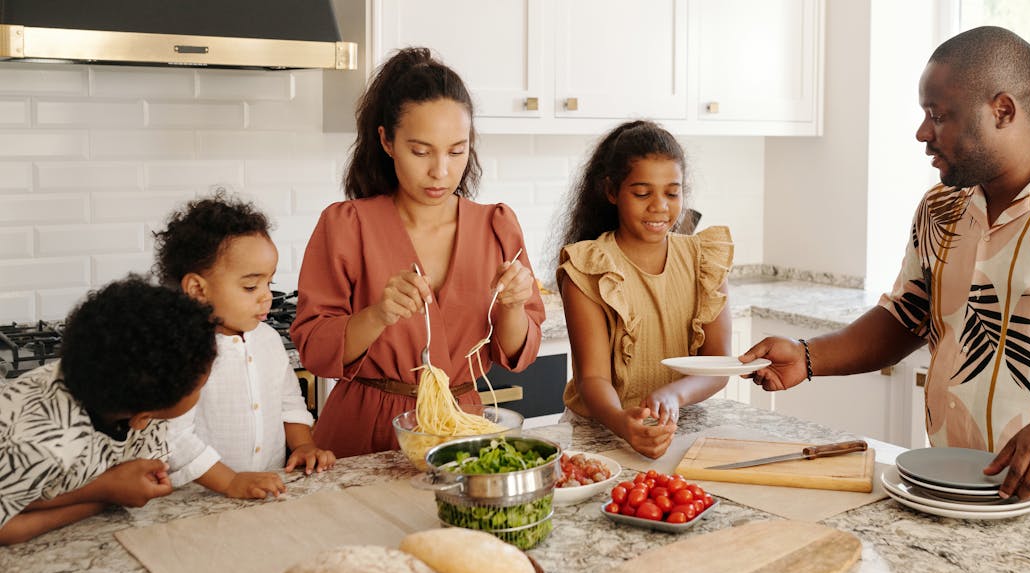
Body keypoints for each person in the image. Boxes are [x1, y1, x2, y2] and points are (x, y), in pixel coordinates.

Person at [745, 27, 1030, 518]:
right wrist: (809, 357)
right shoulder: (942, 206)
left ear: (1002, 110)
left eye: (939, 116)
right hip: (950, 495)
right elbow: (908, 314)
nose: (923, 133)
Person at [291, 47, 545, 457]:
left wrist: (514, 305)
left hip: (461, 431)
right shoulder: (346, 225)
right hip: (364, 434)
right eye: (421, 151)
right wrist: (377, 315)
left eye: (456, 150)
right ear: (387, 141)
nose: (440, 171)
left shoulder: (497, 226)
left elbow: (516, 353)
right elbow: (315, 351)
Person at [557, 120, 734, 459]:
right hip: (600, 434)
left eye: (672, 193)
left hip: (678, 427)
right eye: (642, 193)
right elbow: (592, 379)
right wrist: (622, 422)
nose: (659, 207)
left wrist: (674, 395)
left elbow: (718, 365)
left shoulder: (704, 260)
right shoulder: (587, 266)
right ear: (612, 192)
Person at [0, 276, 217, 545]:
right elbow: (5, 524)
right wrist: (105, 493)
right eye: (199, 387)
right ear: (142, 417)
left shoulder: (111, 390)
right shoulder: (48, 447)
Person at [155, 192, 336, 499]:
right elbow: (173, 437)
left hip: (266, 492)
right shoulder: (179, 352)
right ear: (198, 288)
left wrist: (304, 446)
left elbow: (289, 404)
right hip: (196, 502)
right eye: (251, 286)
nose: (266, 296)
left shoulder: (267, 339)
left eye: (269, 282)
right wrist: (229, 482)